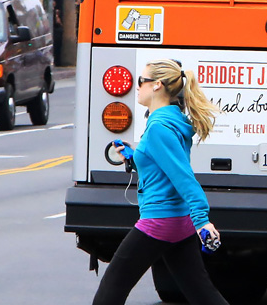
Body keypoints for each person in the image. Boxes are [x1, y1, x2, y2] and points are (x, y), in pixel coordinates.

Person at [92, 59, 229, 305]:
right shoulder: (171, 120)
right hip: (178, 221)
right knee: (203, 295)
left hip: (160, 221)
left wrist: (202, 220)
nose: (137, 87)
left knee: (110, 292)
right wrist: (135, 157)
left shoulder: (159, 128)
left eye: (141, 82)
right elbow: (164, 165)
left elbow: (183, 176)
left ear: (157, 85)